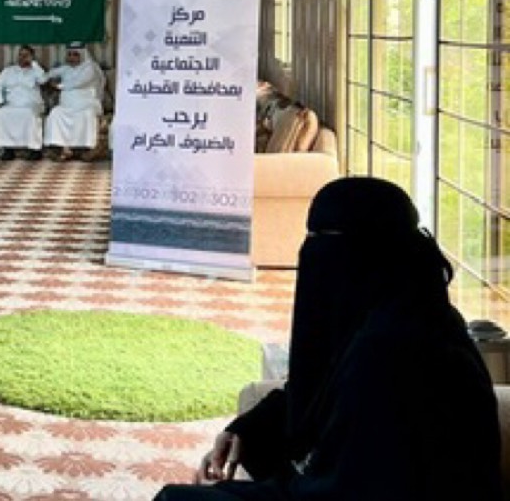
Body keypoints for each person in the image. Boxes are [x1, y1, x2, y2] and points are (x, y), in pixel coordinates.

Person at [154, 177, 501, 501]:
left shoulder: (393, 355)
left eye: (322, 243)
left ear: (364, 254)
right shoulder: (405, 315)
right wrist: (246, 431)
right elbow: (321, 393)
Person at [41, 41, 105, 161]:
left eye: (75, 54)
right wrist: (43, 78)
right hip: (67, 106)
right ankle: (62, 148)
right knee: (55, 113)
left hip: (86, 104)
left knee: (87, 115)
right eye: (69, 54)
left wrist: (58, 86)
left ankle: (86, 149)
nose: (71, 57)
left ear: (82, 55)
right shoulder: (66, 69)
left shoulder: (90, 68)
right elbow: (48, 75)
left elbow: (78, 82)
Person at [0, 44, 46, 161]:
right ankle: (8, 150)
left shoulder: (36, 71)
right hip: (12, 104)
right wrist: (1, 101)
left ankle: (34, 150)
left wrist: (33, 64)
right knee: (3, 113)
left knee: (29, 114)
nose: (22, 57)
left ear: (32, 57)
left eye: (26, 55)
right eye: (20, 55)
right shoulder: (8, 71)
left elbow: (43, 80)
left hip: (32, 104)